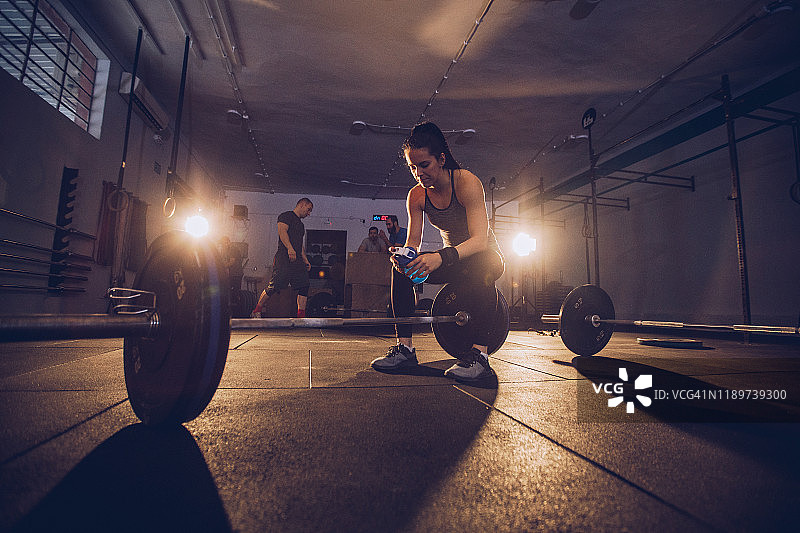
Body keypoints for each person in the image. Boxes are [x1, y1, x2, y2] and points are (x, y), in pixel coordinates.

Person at [371, 122, 504, 382]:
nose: (419, 174)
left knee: (484, 261)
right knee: (402, 270)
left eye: (424, 165)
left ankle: (480, 357)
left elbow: (480, 241)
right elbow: (414, 242)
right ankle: (405, 349)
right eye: (413, 167)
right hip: (453, 262)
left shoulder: (466, 182)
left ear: (441, 159)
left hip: (485, 258)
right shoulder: (416, 196)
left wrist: (441, 257)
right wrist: (404, 255)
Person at [252, 198, 314, 318]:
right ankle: (256, 310)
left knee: (304, 285)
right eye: (308, 209)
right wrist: (290, 248)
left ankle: (300, 318)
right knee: (275, 286)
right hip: (284, 257)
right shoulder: (286, 216)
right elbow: (282, 232)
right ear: (302, 204)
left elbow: (299, 244)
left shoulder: (301, 225)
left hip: (297, 259)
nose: (309, 213)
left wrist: (305, 259)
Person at [219, 236, 245, 308]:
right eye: (222, 244)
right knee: (229, 290)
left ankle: (237, 308)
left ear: (228, 242)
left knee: (235, 291)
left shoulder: (233, 249)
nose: (223, 245)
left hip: (236, 274)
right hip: (232, 274)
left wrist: (221, 267)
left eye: (223, 243)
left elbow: (231, 262)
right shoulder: (226, 250)